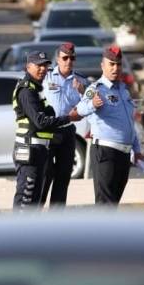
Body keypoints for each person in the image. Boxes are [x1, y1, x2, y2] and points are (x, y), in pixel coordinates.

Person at [76, 45, 144, 205]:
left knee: (113, 203)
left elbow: (128, 123)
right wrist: (92, 104)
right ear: (103, 66)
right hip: (106, 152)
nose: (116, 68)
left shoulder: (123, 90)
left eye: (118, 64)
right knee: (105, 204)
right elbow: (80, 109)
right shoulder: (95, 89)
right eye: (112, 64)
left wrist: (136, 150)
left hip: (124, 154)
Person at [12, 51, 80, 210]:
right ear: (28, 67)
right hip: (29, 151)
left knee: (35, 201)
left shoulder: (36, 90)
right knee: (26, 201)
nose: (42, 69)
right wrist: (69, 118)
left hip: (38, 150)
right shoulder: (27, 91)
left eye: (45, 66)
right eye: (38, 65)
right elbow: (41, 122)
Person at [41, 42, 86, 206]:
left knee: (63, 175)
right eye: (65, 58)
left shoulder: (81, 80)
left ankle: (57, 215)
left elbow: (90, 105)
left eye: (72, 58)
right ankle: (36, 212)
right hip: (48, 131)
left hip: (67, 132)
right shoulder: (47, 77)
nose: (69, 61)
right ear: (58, 59)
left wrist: (82, 92)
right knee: (45, 175)